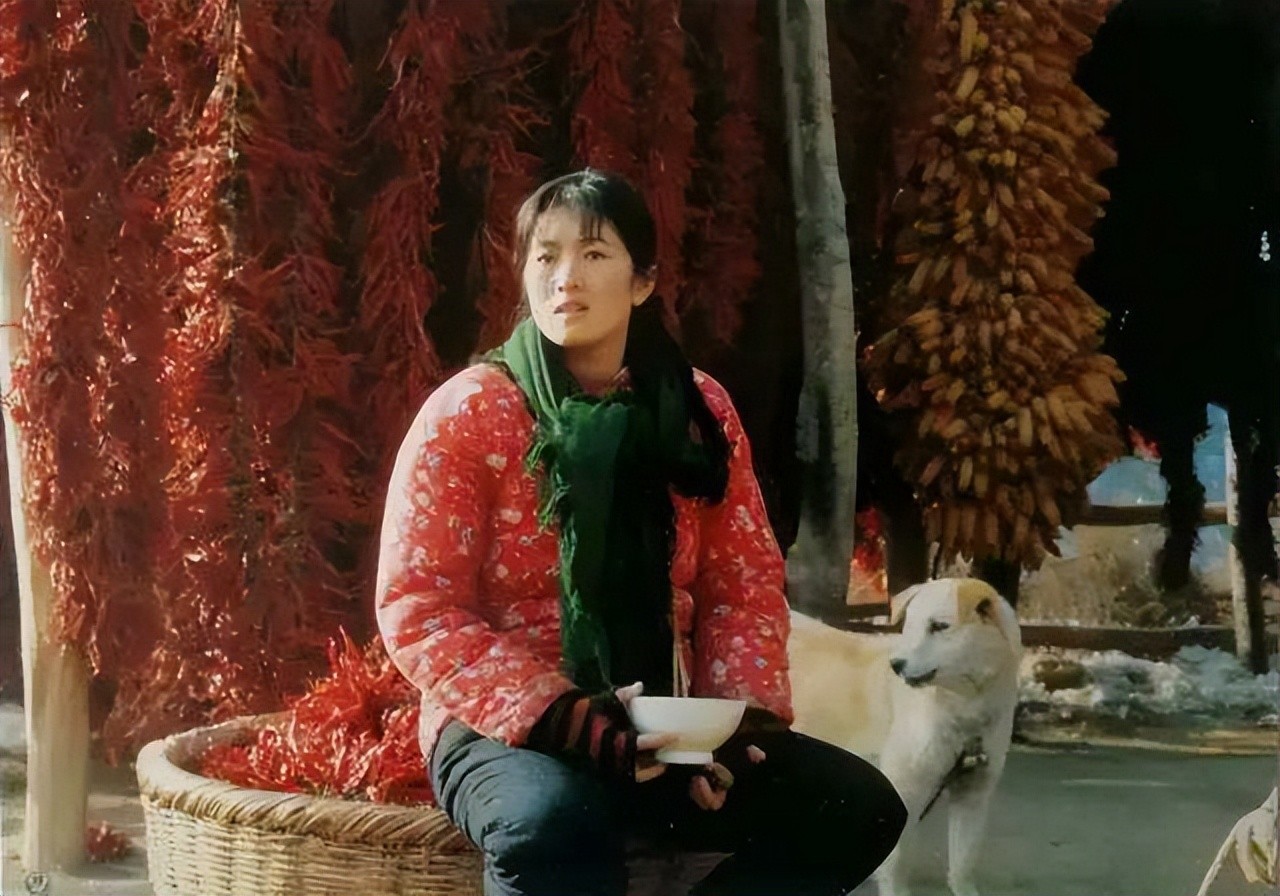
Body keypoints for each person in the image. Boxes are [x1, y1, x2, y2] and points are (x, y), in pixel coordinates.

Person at [375, 169, 906, 896]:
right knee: (558, 824)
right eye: (545, 255)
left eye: (593, 254)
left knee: (855, 808)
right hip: (507, 727)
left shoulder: (698, 412)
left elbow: (740, 586)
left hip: (664, 718)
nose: (565, 277)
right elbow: (420, 608)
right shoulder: (470, 411)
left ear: (644, 282)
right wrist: (576, 722)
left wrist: (734, 733)